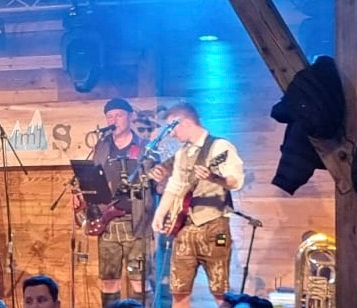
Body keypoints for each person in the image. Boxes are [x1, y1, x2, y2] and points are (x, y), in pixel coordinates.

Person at [150, 103, 245, 308]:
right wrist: (160, 213)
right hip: (185, 227)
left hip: (214, 226)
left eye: (172, 127)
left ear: (184, 122)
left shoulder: (220, 147)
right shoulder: (182, 153)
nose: (172, 134)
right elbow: (175, 185)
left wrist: (213, 178)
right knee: (179, 290)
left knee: (221, 292)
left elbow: (235, 181)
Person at [74, 98, 161, 306]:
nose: (114, 120)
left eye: (119, 115)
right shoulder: (101, 147)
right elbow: (93, 178)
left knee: (140, 281)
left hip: (137, 221)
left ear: (130, 117)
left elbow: (158, 186)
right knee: (109, 280)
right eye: (110, 116)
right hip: (107, 223)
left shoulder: (145, 148)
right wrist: (80, 192)